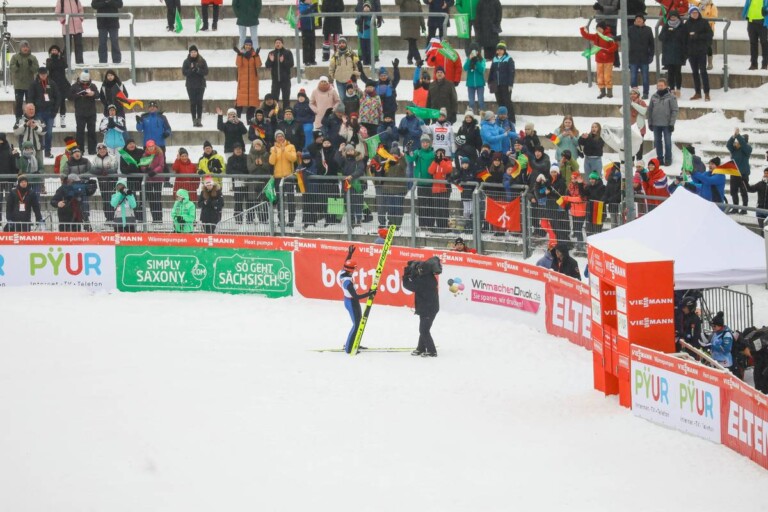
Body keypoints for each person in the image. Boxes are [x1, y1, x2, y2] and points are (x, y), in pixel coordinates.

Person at [402, 256, 442, 357]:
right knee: (424, 329)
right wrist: (414, 268)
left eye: (420, 269)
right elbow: (417, 276)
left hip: (428, 309)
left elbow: (407, 285)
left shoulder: (424, 282)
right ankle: (421, 348)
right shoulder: (428, 276)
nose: (419, 271)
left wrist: (406, 273)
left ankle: (432, 351)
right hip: (428, 308)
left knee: (423, 330)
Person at [339, 255, 376, 353]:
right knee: (356, 325)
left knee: (358, 324)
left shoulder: (342, 272)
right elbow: (356, 296)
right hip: (351, 302)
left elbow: (346, 263)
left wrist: (349, 254)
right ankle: (348, 348)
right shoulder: (348, 282)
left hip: (350, 301)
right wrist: (370, 293)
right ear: (351, 270)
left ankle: (355, 343)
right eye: (354, 269)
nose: (355, 270)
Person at [26, 67, 59, 159]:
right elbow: (30, 98)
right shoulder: (34, 84)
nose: (43, 76)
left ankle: (47, 151)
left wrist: (55, 110)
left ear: (47, 74)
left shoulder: (52, 83)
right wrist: (32, 111)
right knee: (38, 132)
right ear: (38, 74)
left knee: (49, 133)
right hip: (38, 112)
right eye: (41, 74)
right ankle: (37, 150)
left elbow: (57, 97)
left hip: (50, 112)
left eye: (45, 74)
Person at [580, 22, 618, 99]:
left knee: (607, 76)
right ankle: (602, 92)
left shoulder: (609, 36)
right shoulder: (596, 36)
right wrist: (582, 29)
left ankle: (609, 92)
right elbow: (587, 36)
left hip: (608, 60)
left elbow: (615, 46)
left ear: (603, 29)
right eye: (597, 29)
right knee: (600, 77)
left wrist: (608, 51)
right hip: (599, 60)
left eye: (600, 29)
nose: (598, 30)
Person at [684, 6, 714, 101]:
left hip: (701, 51)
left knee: (703, 72)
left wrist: (698, 36)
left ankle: (706, 93)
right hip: (691, 52)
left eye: (696, 13)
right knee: (695, 73)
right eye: (693, 13)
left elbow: (710, 34)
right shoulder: (687, 24)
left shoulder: (704, 22)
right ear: (690, 14)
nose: (695, 14)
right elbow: (684, 37)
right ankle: (697, 92)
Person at [647, 78, 678, 166]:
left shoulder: (671, 97)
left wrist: (672, 123)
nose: (660, 87)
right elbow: (650, 110)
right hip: (656, 123)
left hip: (667, 124)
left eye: (662, 85)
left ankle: (668, 158)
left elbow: (675, 110)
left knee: (667, 142)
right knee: (657, 142)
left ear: (666, 86)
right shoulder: (654, 96)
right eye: (658, 85)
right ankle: (659, 158)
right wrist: (650, 122)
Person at [269, 130, 298, 226]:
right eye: (278, 137)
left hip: (288, 177)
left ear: (284, 137)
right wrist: (275, 152)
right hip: (278, 177)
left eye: (281, 136)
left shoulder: (291, 146)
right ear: (275, 138)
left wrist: (284, 150)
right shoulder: (273, 148)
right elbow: (271, 162)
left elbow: (293, 158)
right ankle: (281, 220)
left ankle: (291, 220)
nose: (280, 138)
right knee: (279, 200)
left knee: (290, 199)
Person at [69, 71, 99, 155]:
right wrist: (78, 95)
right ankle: (80, 149)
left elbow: (98, 94)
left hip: (91, 113)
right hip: (80, 113)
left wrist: (92, 94)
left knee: (92, 131)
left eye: (86, 81)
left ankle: (92, 149)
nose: (85, 83)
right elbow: (69, 96)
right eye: (83, 81)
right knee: (80, 132)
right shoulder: (75, 86)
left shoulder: (92, 86)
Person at [11, 41, 39, 128]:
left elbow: (36, 70)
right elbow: (12, 68)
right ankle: (18, 119)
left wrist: (31, 66)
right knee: (18, 102)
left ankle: (29, 119)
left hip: (29, 85)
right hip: (18, 85)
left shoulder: (33, 57)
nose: (25, 48)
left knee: (29, 103)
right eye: (23, 47)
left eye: (26, 47)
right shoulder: (15, 57)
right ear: (20, 48)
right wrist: (17, 66)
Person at [659, 10, 686, 98]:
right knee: (670, 72)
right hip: (668, 52)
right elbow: (661, 37)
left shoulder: (682, 26)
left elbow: (684, 38)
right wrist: (668, 33)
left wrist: (675, 33)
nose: (673, 18)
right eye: (671, 16)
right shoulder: (666, 26)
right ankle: (671, 89)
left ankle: (678, 89)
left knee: (678, 72)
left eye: (674, 16)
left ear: (678, 17)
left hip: (678, 52)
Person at [234, 38, 262, 121]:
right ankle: (236, 119)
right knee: (239, 102)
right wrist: (239, 54)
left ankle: (250, 121)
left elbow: (258, 65)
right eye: (247, 45)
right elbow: (238, 64)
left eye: (249, 45)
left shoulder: (254, 54)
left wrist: (256, 55)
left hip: (253, 82)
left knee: (252, 103)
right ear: (244, 45)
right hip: (242, 82)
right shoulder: (241, 53)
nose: (248, 46)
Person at [628, 14, 655, 100]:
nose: (639, 20)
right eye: (637, 19)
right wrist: (613, 38)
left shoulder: (648, 29)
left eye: (640, 19)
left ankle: (645, 93)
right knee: (633, 77)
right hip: (633, 57)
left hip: (644, 57)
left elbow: (652, 44)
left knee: (645, 77)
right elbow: (623, 37)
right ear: (635, 20)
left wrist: (651, 55)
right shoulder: (630, 29)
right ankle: (634, 94)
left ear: (643, 20)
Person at [487, 41, 516, 119]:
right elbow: (492, 71)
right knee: (499, 101)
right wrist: (490, 81)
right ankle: (502, 118)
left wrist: (510, 84)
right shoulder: (495, 59)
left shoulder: (508, 59)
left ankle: (511, 118)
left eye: (501, 49)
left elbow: (511, 72)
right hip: (496, 84)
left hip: (505, 84)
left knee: (507, 102)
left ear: (504, 50)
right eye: (498, 50)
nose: (499, 51)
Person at [726, 128, 752, 213]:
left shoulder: (747, 149)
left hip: (743, 175)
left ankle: (744, 209)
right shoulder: (734, 150)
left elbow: (744, 145)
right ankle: (735, 208)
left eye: (738, 141)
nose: (736, 143)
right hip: (734, 173)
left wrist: (739, 136)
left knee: (743, 192)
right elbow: (728, 145)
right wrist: (733, 136)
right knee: (733, 191)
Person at [14, 104, 45, 175]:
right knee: (25, 168)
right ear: (25, 110)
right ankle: (25, 184)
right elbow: (16, 132)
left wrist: (36, 127)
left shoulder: (39, 119)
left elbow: (44, 131)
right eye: (30, 109)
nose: (31, 111)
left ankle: (40, 184)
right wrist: (25, 125)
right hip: (25, 149)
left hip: (38, 148)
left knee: (40, 168)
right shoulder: (20, 120)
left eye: (33, 109)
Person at [182, 45, 209, 127]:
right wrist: (191, 70)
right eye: (192, 52)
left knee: (199, 103)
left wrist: (198, 70)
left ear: (197, 52)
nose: (193, 53)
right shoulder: (186, 61)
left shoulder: (202, 60)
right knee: (193, 103)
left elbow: (206, 71)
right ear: (190, 53)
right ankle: (194, 119)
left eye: (195, 52)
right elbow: (184, 72)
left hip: (200, 85)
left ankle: (199, 119)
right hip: (190, 86)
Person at [140, 140, 166, 224]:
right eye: (149, 147)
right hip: (149, 180)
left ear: (155, 146)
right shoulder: (145, 155)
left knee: (157, 198)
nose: (151, 148)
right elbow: (142, 166)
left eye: (152, 146)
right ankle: (154, 218)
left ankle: (159, 218)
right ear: (147, 147)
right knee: (151, 199)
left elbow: (161, 165)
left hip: (157, 178)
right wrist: (145, 169)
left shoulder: (160, 154)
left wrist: (154, 171)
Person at [92, 142, 118, 222]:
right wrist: (101, 172)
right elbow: (92, 169)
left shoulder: (112, 157)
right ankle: (108, 217)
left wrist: (107, 172)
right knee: (105, 200)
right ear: (98, 150)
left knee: (111, 200)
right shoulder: (95, 158)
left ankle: (112, 217)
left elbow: (115, 168)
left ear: (106, 150)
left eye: (104, 149)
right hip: (102, 182)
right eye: (100, 149)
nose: (102, 151)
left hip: (111, 182)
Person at [46, 45, 71, 128]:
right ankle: (53, 120)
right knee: (52, 103)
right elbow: (49, 67)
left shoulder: (62, 60)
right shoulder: (49, 60)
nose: (54, 51)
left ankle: (62, 120)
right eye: (52, 50)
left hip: (62, 84)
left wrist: (60, 58)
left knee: (62, 103)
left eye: (55, 50)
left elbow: (64, 66)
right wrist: (54, 59)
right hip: (52, 84)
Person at [91, 0, 123, 64]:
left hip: (113, 22)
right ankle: (103, 61)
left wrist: (110, 1)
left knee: (114, 42)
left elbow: (120, 4)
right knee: (102, 43)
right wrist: (104, 2)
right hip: (102, 23)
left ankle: (117, 61)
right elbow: (94, 5)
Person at [266, 38, 294, 110]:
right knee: (275, 99)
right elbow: (267, 65)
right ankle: (276, 114)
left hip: (286, 80)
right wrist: (271, 61)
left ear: (282, 44)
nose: (278, 44)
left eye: (279, 43)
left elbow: (291, 64)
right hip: (275, 81)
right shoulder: (271, 53)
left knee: (286, 99)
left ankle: (286, 114)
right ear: (274, 44)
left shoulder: (287, 53)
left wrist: (283, 61)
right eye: (276, 43)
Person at [691, 0, 718, 70]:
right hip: (698, 29)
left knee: (708, 46)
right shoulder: (698, 4)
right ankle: (699, 62)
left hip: (708, 29)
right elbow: (691, 1)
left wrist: (704, 22)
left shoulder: (712, 6)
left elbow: (714, 17)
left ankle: (710, 63)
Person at [55, 0, 85, 65]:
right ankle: (66, 65)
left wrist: (80, 18)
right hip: (67, 27)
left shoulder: (76, 1)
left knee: (79, 46)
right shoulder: (61, 1)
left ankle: (80, 64)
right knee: (67, 47)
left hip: (78, 27)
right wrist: (63, 20)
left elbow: (81, 10)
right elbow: (57, 12)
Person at [397, 0, 425, 65]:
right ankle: (418, 59)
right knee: (412, 42)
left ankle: (409, 58)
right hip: (406, 24)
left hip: (415, 25)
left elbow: (420, 14)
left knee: (412, 42)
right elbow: (397, 2)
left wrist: (423, 25)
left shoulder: (417, 1)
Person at [743, 0, 768, 70]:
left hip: (763, 22)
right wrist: (744, 14)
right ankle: (753, 64)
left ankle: (765, 64)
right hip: (751, 22)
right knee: (753, 43)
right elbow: (747, 4)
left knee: (764, 43)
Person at [464, 43, 487, 114]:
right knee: (471, 101)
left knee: (481, 100)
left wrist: (476, 61)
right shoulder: (468, 59)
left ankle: (482, 113)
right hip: (470, 83)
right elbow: (465, 68)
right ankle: (471, 114)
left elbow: (482, 70)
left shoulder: (482, 60)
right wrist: (469, 60)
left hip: (480, 83)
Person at [299, 0, 318, 65]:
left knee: (312, 44)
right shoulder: (302, 5)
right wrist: (310, 8)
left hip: (312, 28)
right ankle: (306, 60)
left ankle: (312, 59)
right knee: (306, 45)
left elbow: (315, 13)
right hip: (305, 29)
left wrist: (315, 8)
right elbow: (303, 12)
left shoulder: (310, 6)